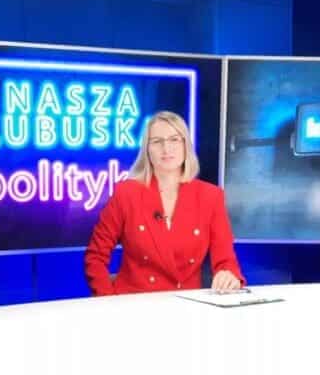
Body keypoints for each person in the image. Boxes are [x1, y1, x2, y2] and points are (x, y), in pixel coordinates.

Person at [85, 111, 244, 296]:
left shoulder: (211, 196)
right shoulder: (126, 193)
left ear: (186, 145)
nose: (166, 149)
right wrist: (108, 301)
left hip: (186, 303)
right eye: (157, 141)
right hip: (133, 302)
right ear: (147, 149)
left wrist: (227, 275)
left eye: (174, 139)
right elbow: (95, 257)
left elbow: (226, 261)